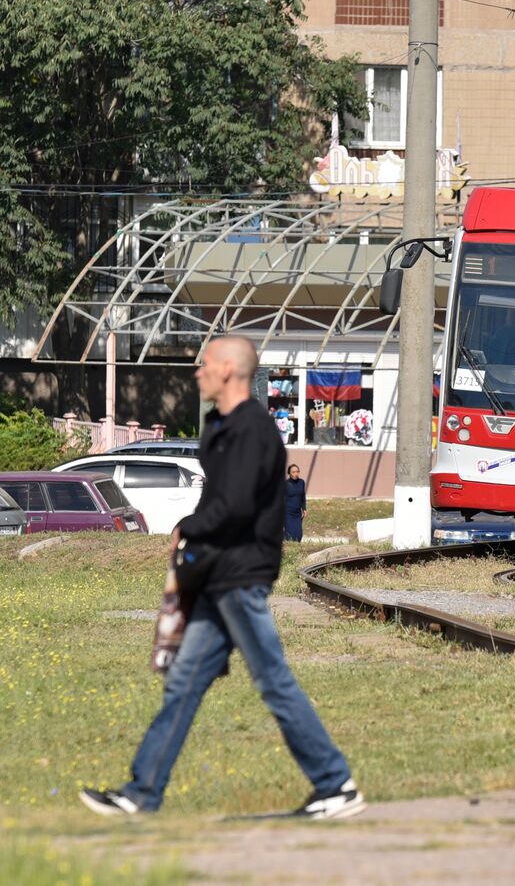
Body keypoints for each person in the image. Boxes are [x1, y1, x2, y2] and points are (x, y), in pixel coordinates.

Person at [80, 335, 365, 821]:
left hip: (238, 574)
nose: (198, 372)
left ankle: (335, 784)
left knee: (274, 681)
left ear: (230, 369)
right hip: (218, 575)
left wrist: (185, 529)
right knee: (184, 682)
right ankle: (141, 792)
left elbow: (232, 504)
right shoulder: (223, 426)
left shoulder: (253, 429)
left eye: (206, 363)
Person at [284, 464, 307, 542]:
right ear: (289, 473)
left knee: (298, 535)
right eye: (293, 472)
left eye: (297, 472)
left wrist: (304, 508)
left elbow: (303, 496)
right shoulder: (286, 484)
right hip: (288, 513)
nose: (296, 474)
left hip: (297, 513)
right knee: (290, 535)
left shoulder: (302, 482)